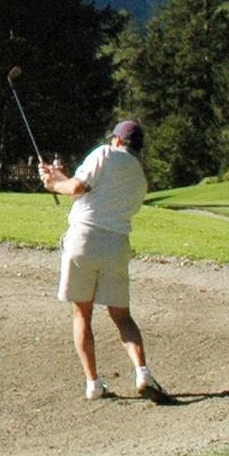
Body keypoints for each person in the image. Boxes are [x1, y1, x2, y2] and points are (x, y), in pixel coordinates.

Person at [39, 119, 162, 400]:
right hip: (117, 245)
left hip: (84, 239)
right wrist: (58, 176)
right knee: (122, 316)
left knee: (82, 313)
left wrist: (53, 184)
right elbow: (91, 190)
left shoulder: (104, 153)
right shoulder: (140, 177)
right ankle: (142, 372)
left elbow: (76, 189)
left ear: (117, 140)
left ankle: (93, 384)